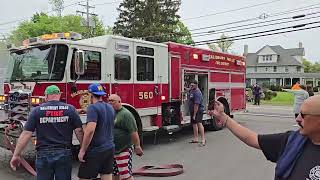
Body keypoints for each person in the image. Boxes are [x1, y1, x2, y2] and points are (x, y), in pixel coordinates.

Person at [209, 95, 320, 180]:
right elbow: (252, 138)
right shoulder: (291, 141)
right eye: (298, 114)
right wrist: (222, 116)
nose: (298, 119)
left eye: (304, 115)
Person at [10, 85, 84, 180]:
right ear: (59, 95)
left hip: (43, 154)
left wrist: (16, 155)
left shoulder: (36, 111)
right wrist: (83, 148)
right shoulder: (71, 109)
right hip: (64, 153)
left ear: (46, 96)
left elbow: (26, 134)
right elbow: (79, 131)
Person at [78, 83, 115, 180]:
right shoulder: (110, 107)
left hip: (96, 149)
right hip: (109, 148)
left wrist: (82, 150)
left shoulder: (92, 108)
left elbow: (90, 130)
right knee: (106, 175)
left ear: (90, 94)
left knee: (84, 177)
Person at [108, 94, 143, 180]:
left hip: (123, 149)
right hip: (113, 150)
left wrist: (137, 146)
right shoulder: (111, 113)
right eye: (109, 101)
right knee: (114, 174)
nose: (110, 103)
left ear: (119, 102)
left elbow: (134, 132)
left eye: (113, 101)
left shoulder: (126, 114)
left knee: (125, 176)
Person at [187, 79, 206, 146]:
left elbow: (196, 105)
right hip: (193, 111)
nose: (191, 86)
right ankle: (196, 138)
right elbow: (188, 90)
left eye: (192, 85)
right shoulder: (192, 90)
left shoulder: (197, 93)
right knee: (194, 124)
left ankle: (203, 139)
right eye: (190, 85)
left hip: (198, 111)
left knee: (199, 123)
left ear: (196, 85)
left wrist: (194, 115)